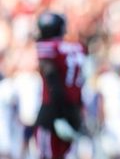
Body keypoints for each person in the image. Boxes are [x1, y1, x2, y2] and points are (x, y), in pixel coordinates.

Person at [34, 12, 86, 159]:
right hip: (73, 111)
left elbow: (52, 78)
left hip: (52, 113)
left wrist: (60, 113)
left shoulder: (48, 47)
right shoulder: (77, 48)